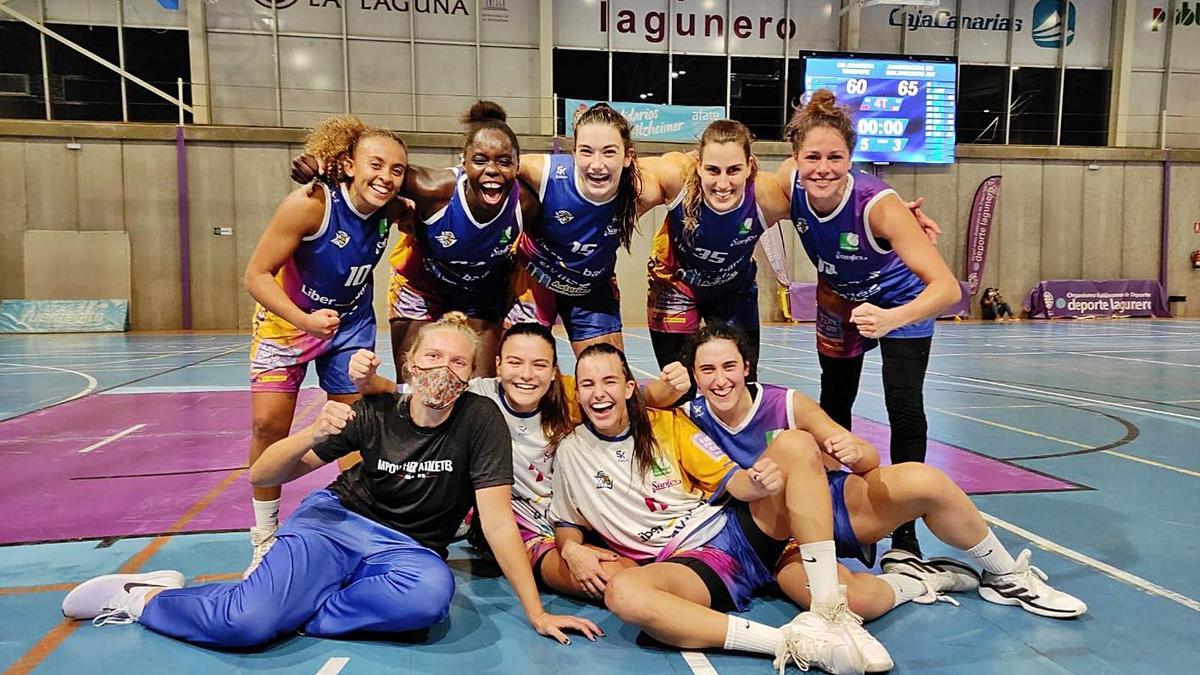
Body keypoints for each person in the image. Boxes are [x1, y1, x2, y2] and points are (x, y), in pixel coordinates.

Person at [60, 313, 601, 649]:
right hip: (336, 525)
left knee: (427, 602)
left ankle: (293, 609)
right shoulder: (373, 412)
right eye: (433, 356)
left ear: (471, 371)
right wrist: (309, 431)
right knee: (246, 627)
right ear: (410, 363)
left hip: (410, 550)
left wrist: (536, 612)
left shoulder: (479, 419)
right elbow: (263, 473)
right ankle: (144, 599)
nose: (445, 369)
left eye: (459, 362)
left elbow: (497, 520)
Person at [681, 322, 1088, 623]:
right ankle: (926, 582)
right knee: (852, 601)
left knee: (924, 481)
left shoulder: (787, 402)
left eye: (729, 366)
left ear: (747, 366)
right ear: (695, 376)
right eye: (708, 370)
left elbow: (865, 458)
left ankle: (1004, 574)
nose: (720, 380)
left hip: (826, 509)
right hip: (763, 540)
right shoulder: (687, 418)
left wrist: (854, 451)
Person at [551, 343, 885, 675]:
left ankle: (831, 611)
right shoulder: (570, 453)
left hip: (733, 529)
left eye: (609, 381)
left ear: (629, 389)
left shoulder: (665, 424)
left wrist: (757, 483)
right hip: (691, 565)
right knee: (624, 594)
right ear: (576, 394)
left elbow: (732, 479)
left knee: (796, 444)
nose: (599, 393)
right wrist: (570, 547)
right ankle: (791, 642)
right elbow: (567, 520)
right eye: (587, 384)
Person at [348, 321, 692, 600]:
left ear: (555, 371)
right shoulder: (475, 396)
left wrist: (672, 388)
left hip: (573, 521)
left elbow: (639, 399)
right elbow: (403, 390)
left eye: (539, 364)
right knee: (617, 578)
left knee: (643, 572)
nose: (526, 374)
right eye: (514, 362)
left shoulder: (573, 397)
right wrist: (367, 380)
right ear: (497, 365)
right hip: (519, 525)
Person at [778, 90, 962, 557]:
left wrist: (892, 318)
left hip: (899, 302)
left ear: (851, 158)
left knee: (904, 407)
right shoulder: (787, 183)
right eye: (812, 157)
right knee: (835, 403)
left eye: (835, 157)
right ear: (794, 157)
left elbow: (947, 288)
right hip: (840, 298)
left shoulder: (878, 206)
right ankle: (840, 512)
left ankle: (905, 528)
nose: (823, 168)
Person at [241, 115, 411, 576]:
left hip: (350, 325)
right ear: (349, 165)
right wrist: (304, 320)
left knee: (351, 428)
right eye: (376, 164)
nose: (386, 177)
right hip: (288, 323)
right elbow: (255, 275)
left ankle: (354, 530)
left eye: (397, 170)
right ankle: (264, 536)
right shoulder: (310, 205)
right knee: (267, 427)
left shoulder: (392, 209)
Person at [292, 101, 538, 379]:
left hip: (481, 293)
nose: (492, 170)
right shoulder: (431, 188)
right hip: (421, 287)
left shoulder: (526, 205)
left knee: (482, 389)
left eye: (504, 161)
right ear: (463, 161)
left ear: (518, 166)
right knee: (410, 387)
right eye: (480, 160)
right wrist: (320, 161)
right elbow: (371, 162)